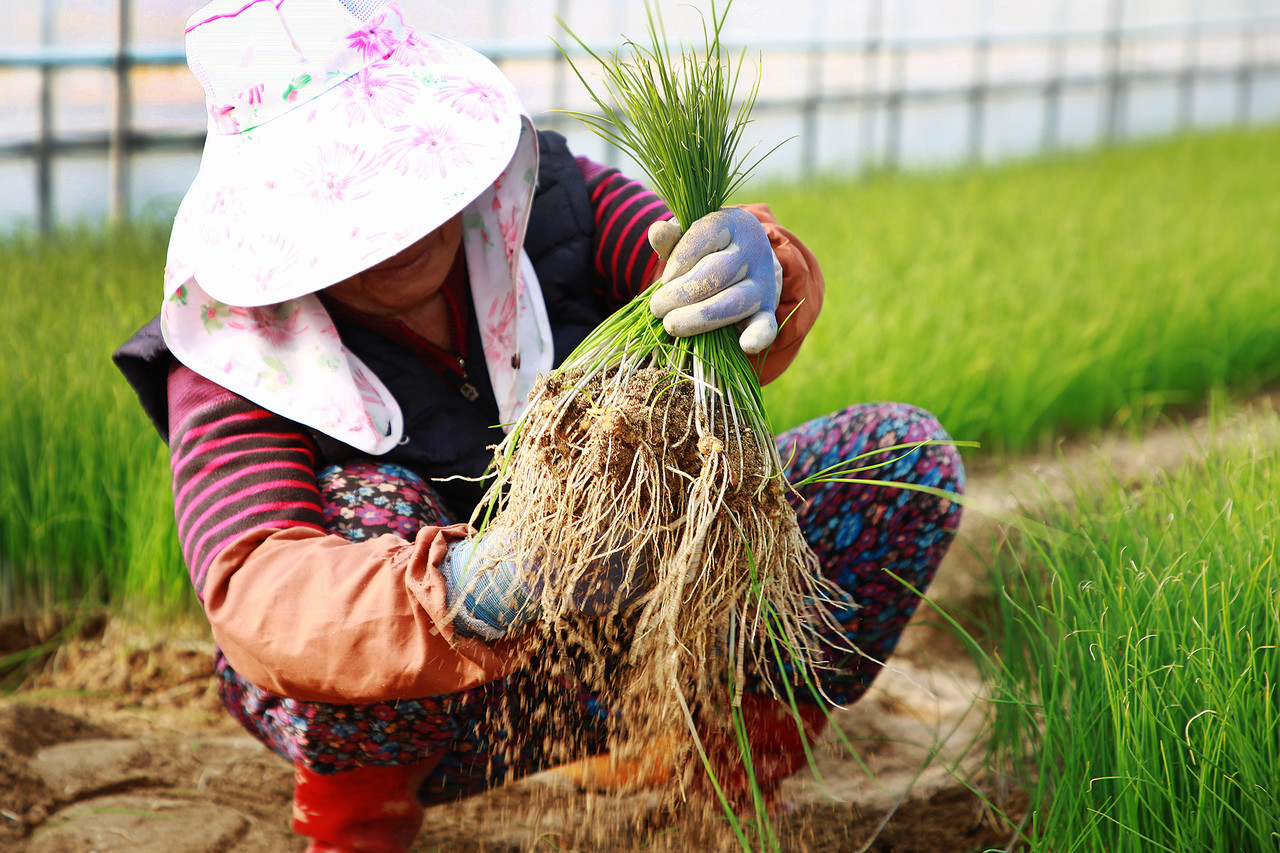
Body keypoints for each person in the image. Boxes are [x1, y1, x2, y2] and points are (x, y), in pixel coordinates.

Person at [113, 1, 965, 851]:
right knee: (367, 509)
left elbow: (677, 269)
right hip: (432, 700)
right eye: (348, 213)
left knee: (898, 462)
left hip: (646, 640)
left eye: (408, 177)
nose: (400, 228)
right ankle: (359, 824)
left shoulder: (548, 202)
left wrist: (756, 266)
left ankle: (722, 788)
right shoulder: (233, 358)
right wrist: (477, 581)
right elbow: (263, 589)